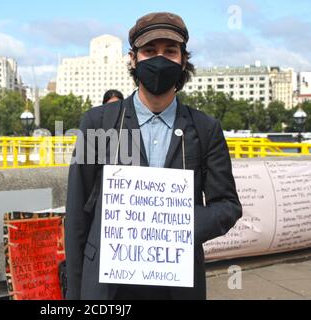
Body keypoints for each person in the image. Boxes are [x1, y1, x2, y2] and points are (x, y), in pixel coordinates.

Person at [65, 12, 242, 300]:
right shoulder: (97, 123)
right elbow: (76, 215)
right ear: (133, 59)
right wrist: (74, 294)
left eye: (170, 51)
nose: (159, 59)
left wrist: (174, 224)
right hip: (108, 287)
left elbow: (228, 206)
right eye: (149, 51)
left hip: (177, 284)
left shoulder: (206, 129)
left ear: (183, 60)